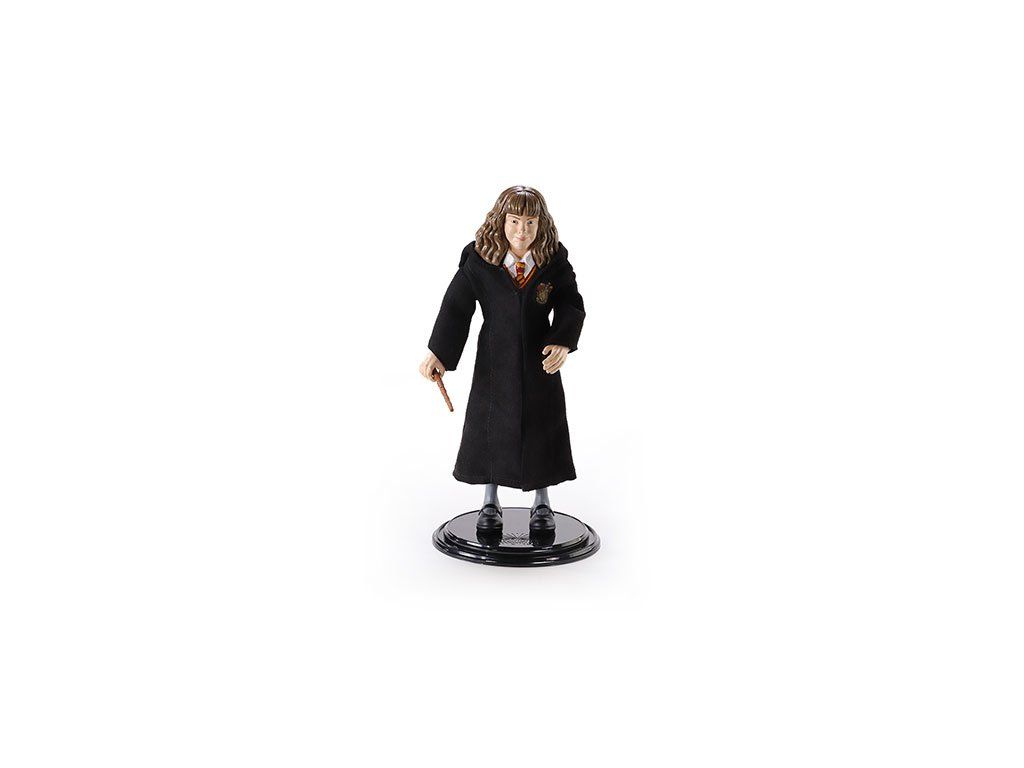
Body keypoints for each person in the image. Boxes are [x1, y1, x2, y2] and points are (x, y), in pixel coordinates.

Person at [419, 186, 585, 532]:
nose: (521, 231)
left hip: (540, 361)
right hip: (494, 360)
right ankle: (489, 500)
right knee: (490, 427)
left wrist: (562, 341)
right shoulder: (481, 260)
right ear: (501, 221)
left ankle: (542, 501)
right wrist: (439, 353)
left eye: (529, 222)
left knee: (542, 426)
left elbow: (570, 302)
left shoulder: (552, 261)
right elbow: (456, 306)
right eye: (514, 221)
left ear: (541, 224)